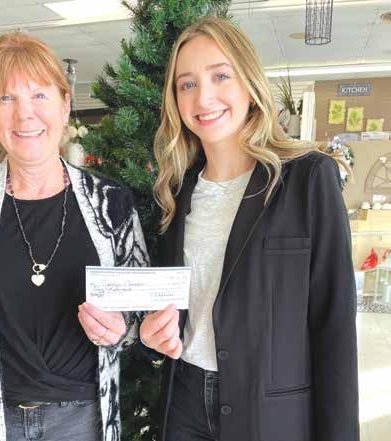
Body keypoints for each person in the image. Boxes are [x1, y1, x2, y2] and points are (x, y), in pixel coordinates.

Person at [140, 17, 359, 441]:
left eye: (220, 76)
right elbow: (177, 308)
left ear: (249, 82)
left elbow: (334, 326)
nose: (203, 97)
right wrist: (154, 335)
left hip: (268, 412)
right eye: (187, 84)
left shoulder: (307, 178)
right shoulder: (177, 190)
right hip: (184, 403)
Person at [0, 32, 148, 441]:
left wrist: (120, 329)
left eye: (40, 95)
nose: (24, 114)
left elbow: (139, 313)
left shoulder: (111, 203)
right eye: (6, 98)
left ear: (65, 105)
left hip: (83, 421)